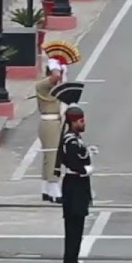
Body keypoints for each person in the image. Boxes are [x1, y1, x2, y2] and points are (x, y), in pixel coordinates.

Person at [35, 41, 82, 203]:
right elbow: (55, 77)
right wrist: (57, 64)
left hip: (54, 122)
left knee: (49, 156)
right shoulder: (43, 85)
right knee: (53, 156)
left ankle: (46, 189)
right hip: (50, 122)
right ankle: (54, 189)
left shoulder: (54, 88)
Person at [56, 104, 93, 263]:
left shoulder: (74, 137)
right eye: (81, 121)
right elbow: (72, 161)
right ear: (73, 122)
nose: (83, 123)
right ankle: (70, 261)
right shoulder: (70, 140)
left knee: (77, 225)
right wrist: (85, 169)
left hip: (77, 183)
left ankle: (73, 259)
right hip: (74, 184)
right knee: (73, 225)